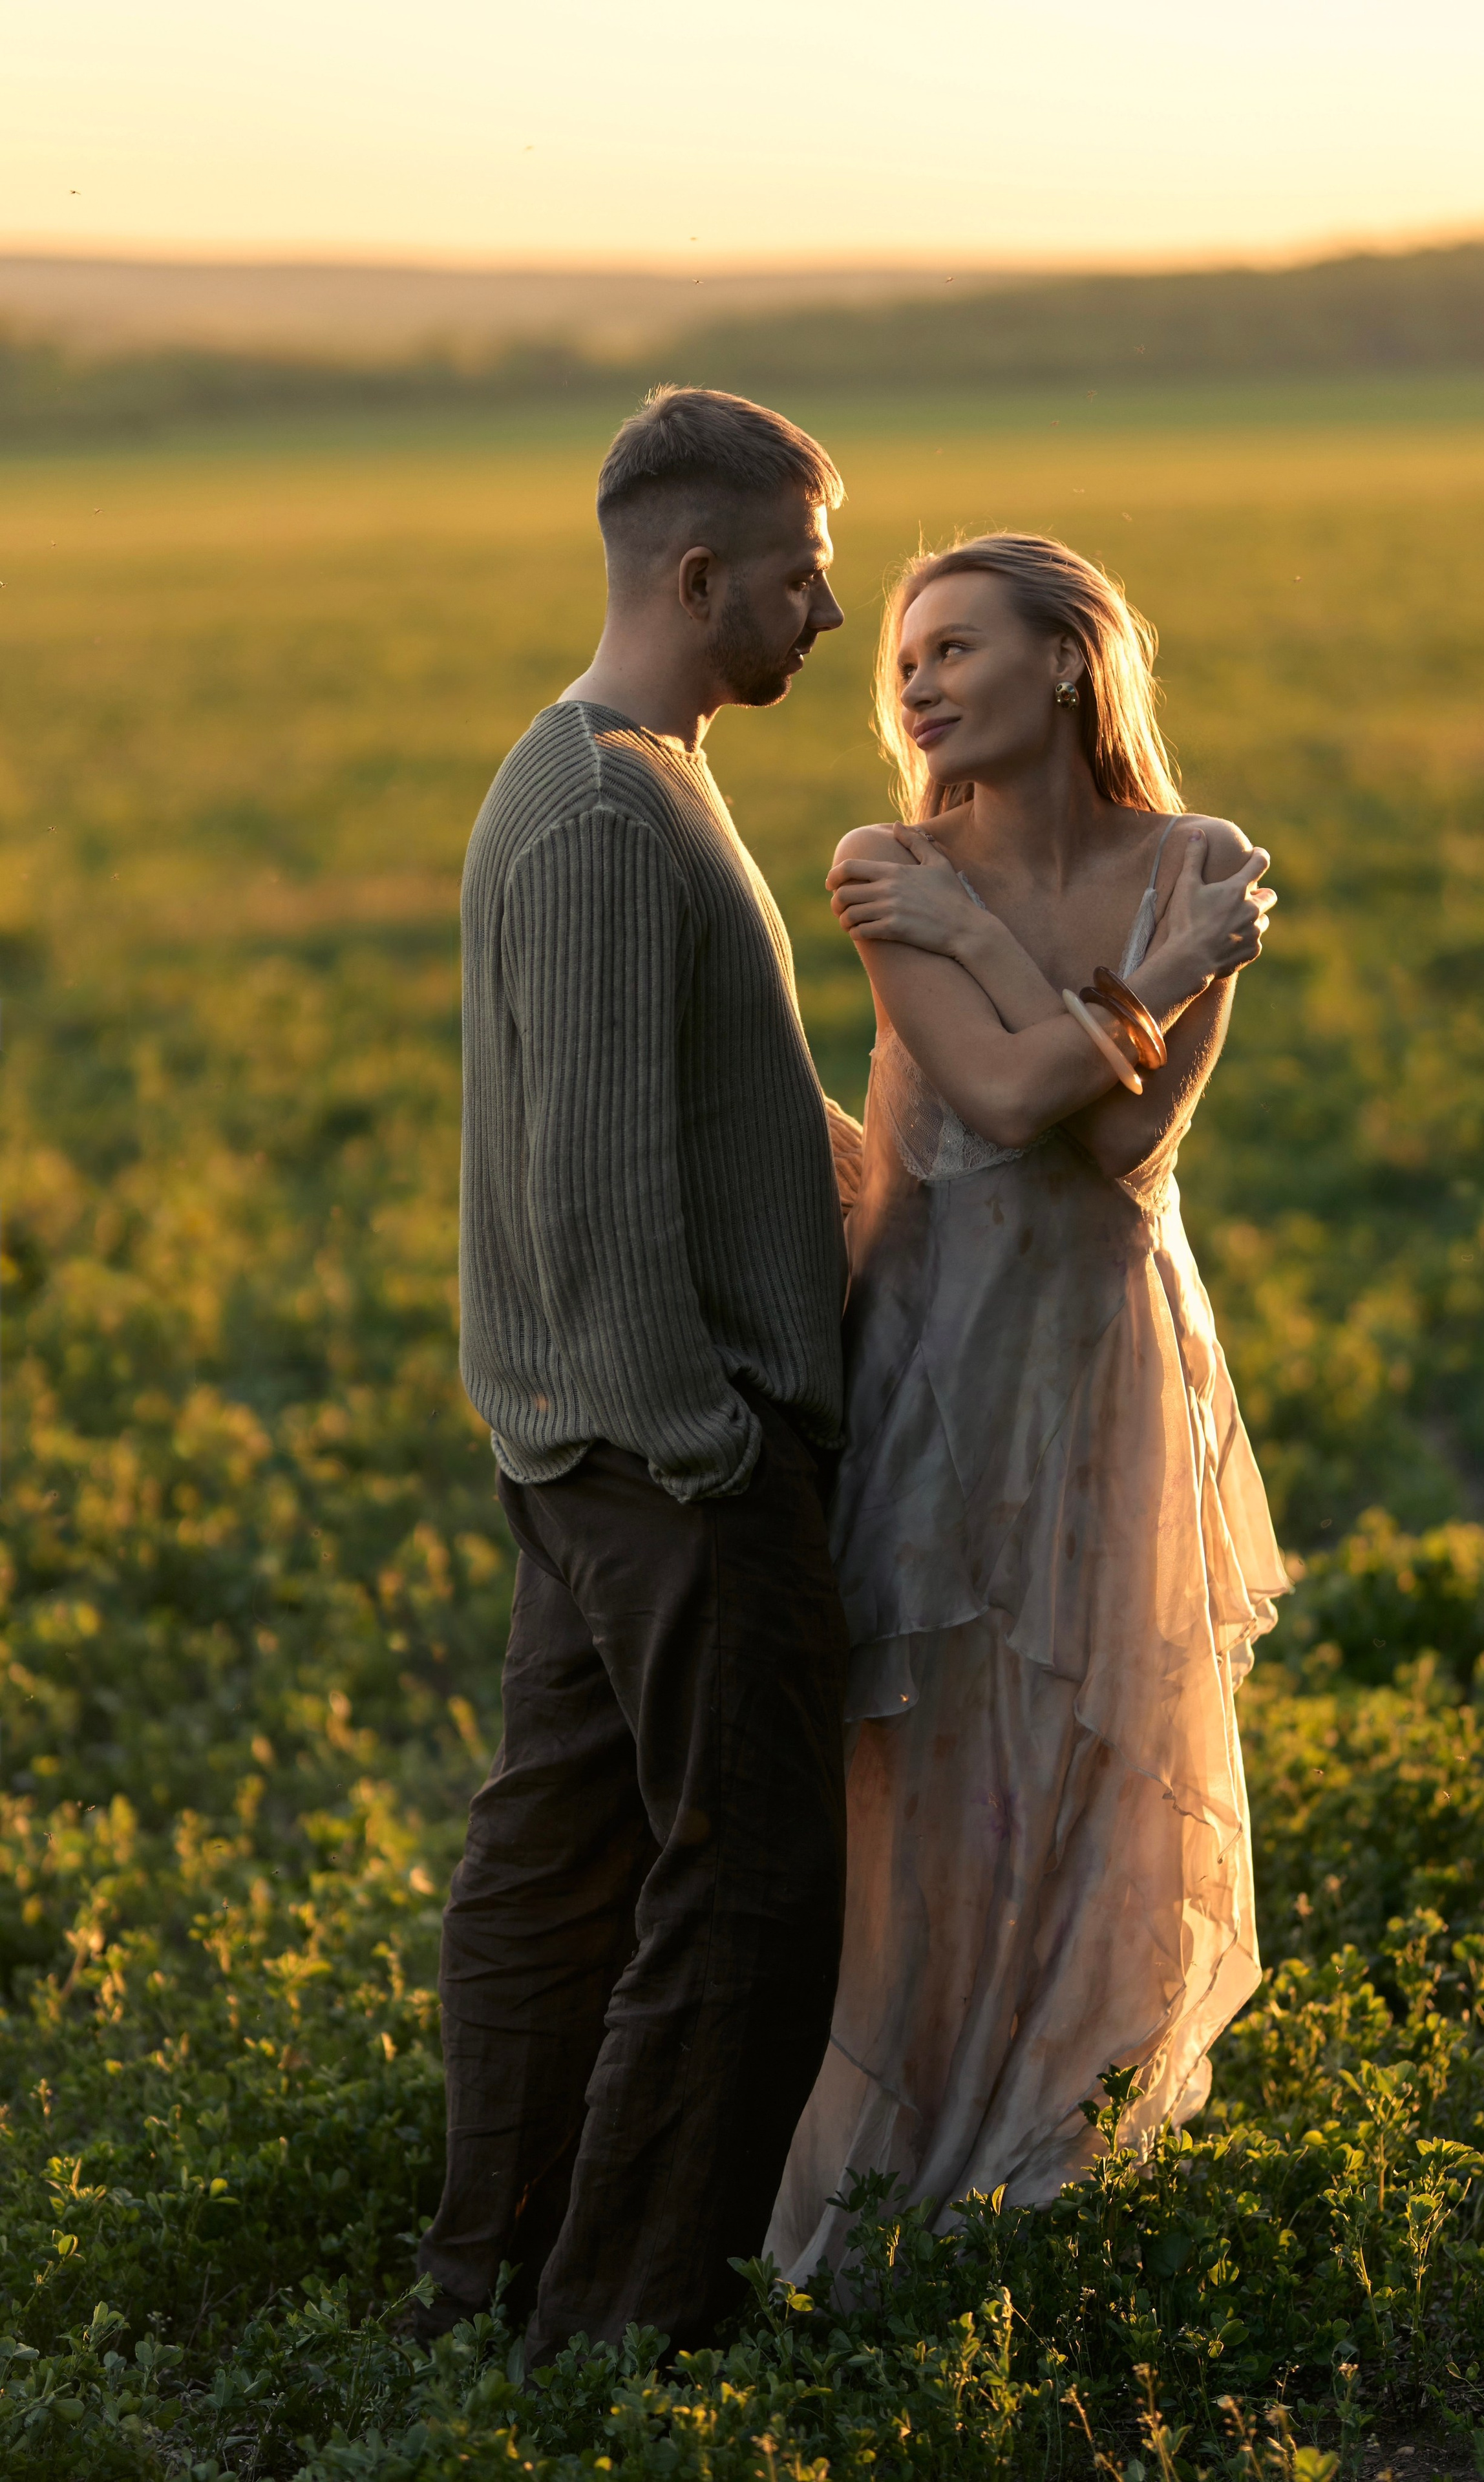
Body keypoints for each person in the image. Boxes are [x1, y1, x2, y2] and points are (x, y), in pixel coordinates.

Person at [765, 533, 1289, 2280]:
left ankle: (1050, 2157)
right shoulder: (886, 864)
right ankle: (877, 2188)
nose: (910, 679)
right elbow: (998, 1099)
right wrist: (1146, 970)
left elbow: (1124, 1140)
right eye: (901, 655)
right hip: (932, 1354)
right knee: (921, 1768)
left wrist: (1129, 974)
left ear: (1068, 662)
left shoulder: (1198, 861)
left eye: (953, 646)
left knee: (1094, 1738)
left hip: (1105, 1354)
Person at [419, 387, 865, 2368]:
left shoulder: (626, 772)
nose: (827, 617)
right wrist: (707, 1452)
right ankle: (620, 2328)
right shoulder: (606, 812)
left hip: (599, 1447)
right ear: (698, 576)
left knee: (561, 1866)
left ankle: (488, 2282)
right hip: (662, 1458)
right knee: (748, 1888)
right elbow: (595, 1188)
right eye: (801, 575)